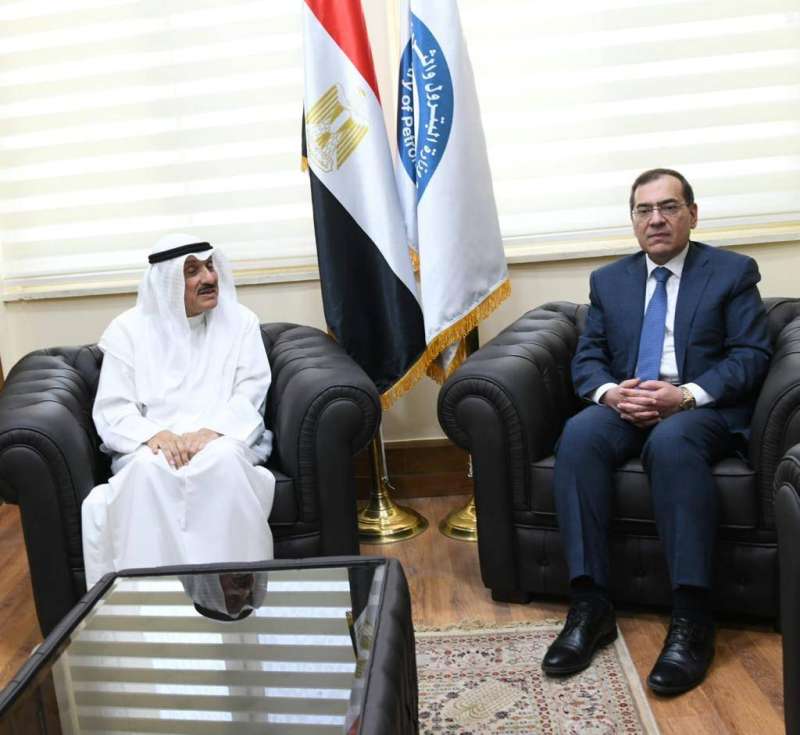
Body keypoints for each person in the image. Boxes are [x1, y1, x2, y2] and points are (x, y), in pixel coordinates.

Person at [542, 169, 771, 695]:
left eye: (668, 207)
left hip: (698, 410)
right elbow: (589, 357)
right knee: (579, 436)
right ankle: (590, 605)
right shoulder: (609, 280)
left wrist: (684, 395)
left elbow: (751, 356)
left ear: (693, 214)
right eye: (644, 210)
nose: (656, 219)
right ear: (633, 221)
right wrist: (610, 393)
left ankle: (692, 616)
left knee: (671, 443)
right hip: (627, 402)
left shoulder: (732, 272)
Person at [81, 233, 275, 587]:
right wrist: (153, 434)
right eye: (192, 271)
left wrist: (213, 431)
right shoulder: (127, 331)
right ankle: (154, 600)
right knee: (147, 469)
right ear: (167, 282)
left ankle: (235, 596)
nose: (209, 277)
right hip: (153, 444)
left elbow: (251, 392)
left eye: (210, 266)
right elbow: (114, 406)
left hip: (221, 438)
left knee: (223, 461)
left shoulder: (241, 321)